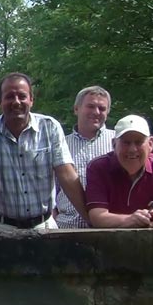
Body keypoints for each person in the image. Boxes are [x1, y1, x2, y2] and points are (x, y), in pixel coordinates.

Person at [0, 73, 87, 230]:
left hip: (44, 226)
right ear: (0, 102)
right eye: (10, 96)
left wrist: (89, 218)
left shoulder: (50, 127)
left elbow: (66, 174)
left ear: (31, 100)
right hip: (0, 227)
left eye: (22, 96)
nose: (16, 102)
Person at [86, 115, 153, 228]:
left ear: (150, 144)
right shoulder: (98, 167)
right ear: (114, 144)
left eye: (139, 142)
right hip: (110, 242)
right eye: (126, 142)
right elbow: (97, 217)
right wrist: (130, 220)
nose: (132, 149)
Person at [54, 86, 114, 228]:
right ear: (76, 109)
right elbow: (48, 189)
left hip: (109, 229)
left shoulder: (118, 142)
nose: (96, 112)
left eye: (102, 108)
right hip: (66, 228)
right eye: (91, 106)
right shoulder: (60, 145)